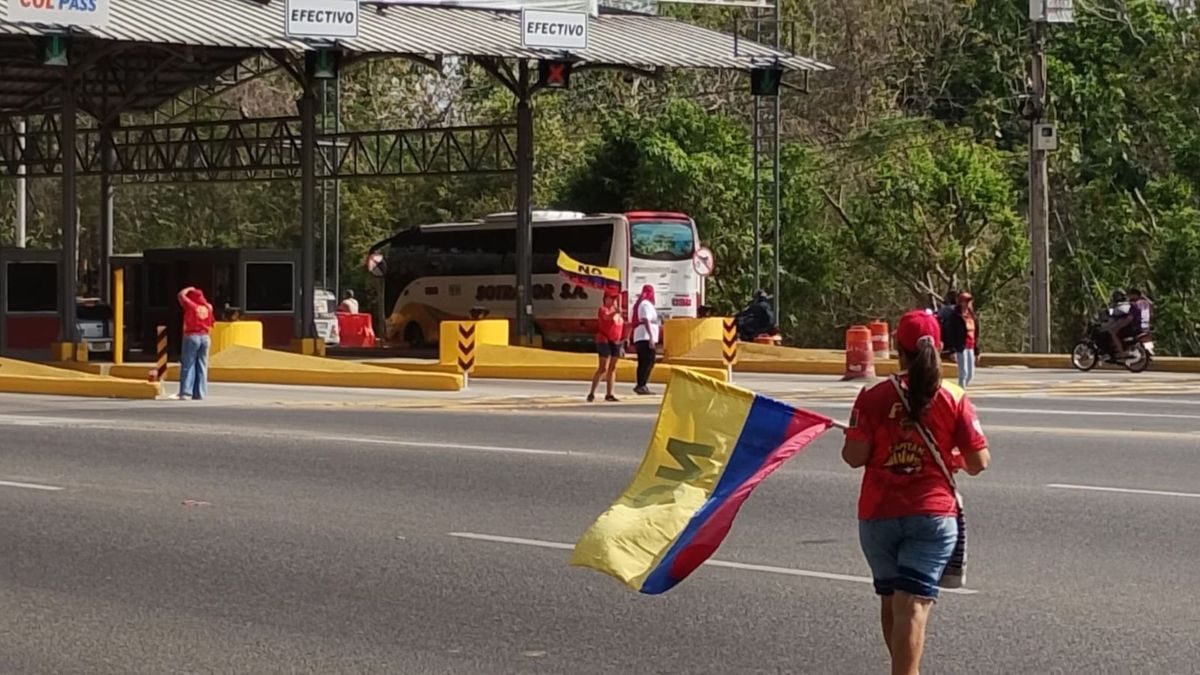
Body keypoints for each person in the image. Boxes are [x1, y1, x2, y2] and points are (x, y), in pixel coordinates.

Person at [841, 310, 991, 675]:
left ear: (896, 350)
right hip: (931, 515)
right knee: (913, 606)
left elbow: (853, 457)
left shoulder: (872, 396)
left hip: (878, 514)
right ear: (939, 347)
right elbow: (979, 462)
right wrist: (950, 457)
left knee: (893, 602)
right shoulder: (954, 396)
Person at [176, 286, 214, 401]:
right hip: (205, 337)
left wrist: (188, 289)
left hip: (192, 336)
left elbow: (180, 295)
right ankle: (200, 393)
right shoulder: (208, 307)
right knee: (202, 366)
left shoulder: (192, 306)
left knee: (188, 364)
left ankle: (186, 392)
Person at [587, 290, 625, 403]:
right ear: (605, 299)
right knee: (603, 368)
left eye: (615, 299)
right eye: (611, 298)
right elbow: (607, 317)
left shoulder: (618, 313)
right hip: (604, 339)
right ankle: (592, 392)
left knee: (612, 368)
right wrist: (615, 312)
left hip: (615, 341)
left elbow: (621, 327)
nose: (613, 301)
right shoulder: (603, 309)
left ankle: (609, 394)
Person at [941, 292, 980, 388]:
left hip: (970, 346)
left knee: (970, 375)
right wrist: (952, 350)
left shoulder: (972, 315)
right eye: (965, 301)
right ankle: (961, 394)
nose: (967, 303)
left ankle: (961, 390)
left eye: (969, 301)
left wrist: (977, 351)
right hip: (960, 347)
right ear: (960, 302)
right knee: (963, 374)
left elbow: (976, 334)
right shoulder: (955, 316)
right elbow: (950, 334)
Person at [630, 284, 660, 395]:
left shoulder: (643, 304)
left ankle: (641, 385)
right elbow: (646, 319)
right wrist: (651, 337)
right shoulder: (645, 304)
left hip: (642, 336)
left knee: (644, 362)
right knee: (648, 361)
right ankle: (641, 385)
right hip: (645, 337)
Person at [1103, 290, 1133, 357]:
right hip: (1123, 325)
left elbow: (1112, 313)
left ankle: (1121, 351)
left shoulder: (1122, 305)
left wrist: (1108, 310)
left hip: (1122, 325)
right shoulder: (1126, 304)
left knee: (1112, 332)